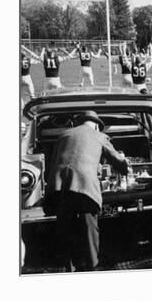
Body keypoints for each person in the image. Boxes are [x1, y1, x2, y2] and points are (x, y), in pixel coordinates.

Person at [43, 111, 128, 271]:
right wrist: (125, 167)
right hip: (84, 185)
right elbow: (117, 161)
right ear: (96, 125)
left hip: (59, 185)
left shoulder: (64, 135)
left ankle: (68, 267)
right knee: (89, 228)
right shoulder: (99, 136)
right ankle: (91, 266)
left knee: (65, 227)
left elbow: (54, 161)